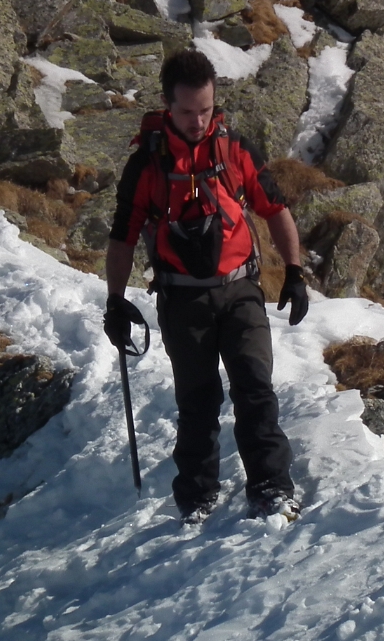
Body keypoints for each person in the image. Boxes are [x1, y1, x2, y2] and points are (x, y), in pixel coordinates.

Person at [102, 48, 310, 524]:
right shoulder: (147, 166)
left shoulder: (235, 150)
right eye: (187, 111)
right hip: (181, 297)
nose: (198, 121)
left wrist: (295, 272)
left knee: (255, 388)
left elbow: (275, 210)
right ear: (166, 105)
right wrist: (115, 301)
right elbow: (122, 237)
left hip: (240, 291)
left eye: (206, 110)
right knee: (197, 402)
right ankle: (195, 499)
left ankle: (272, 488)